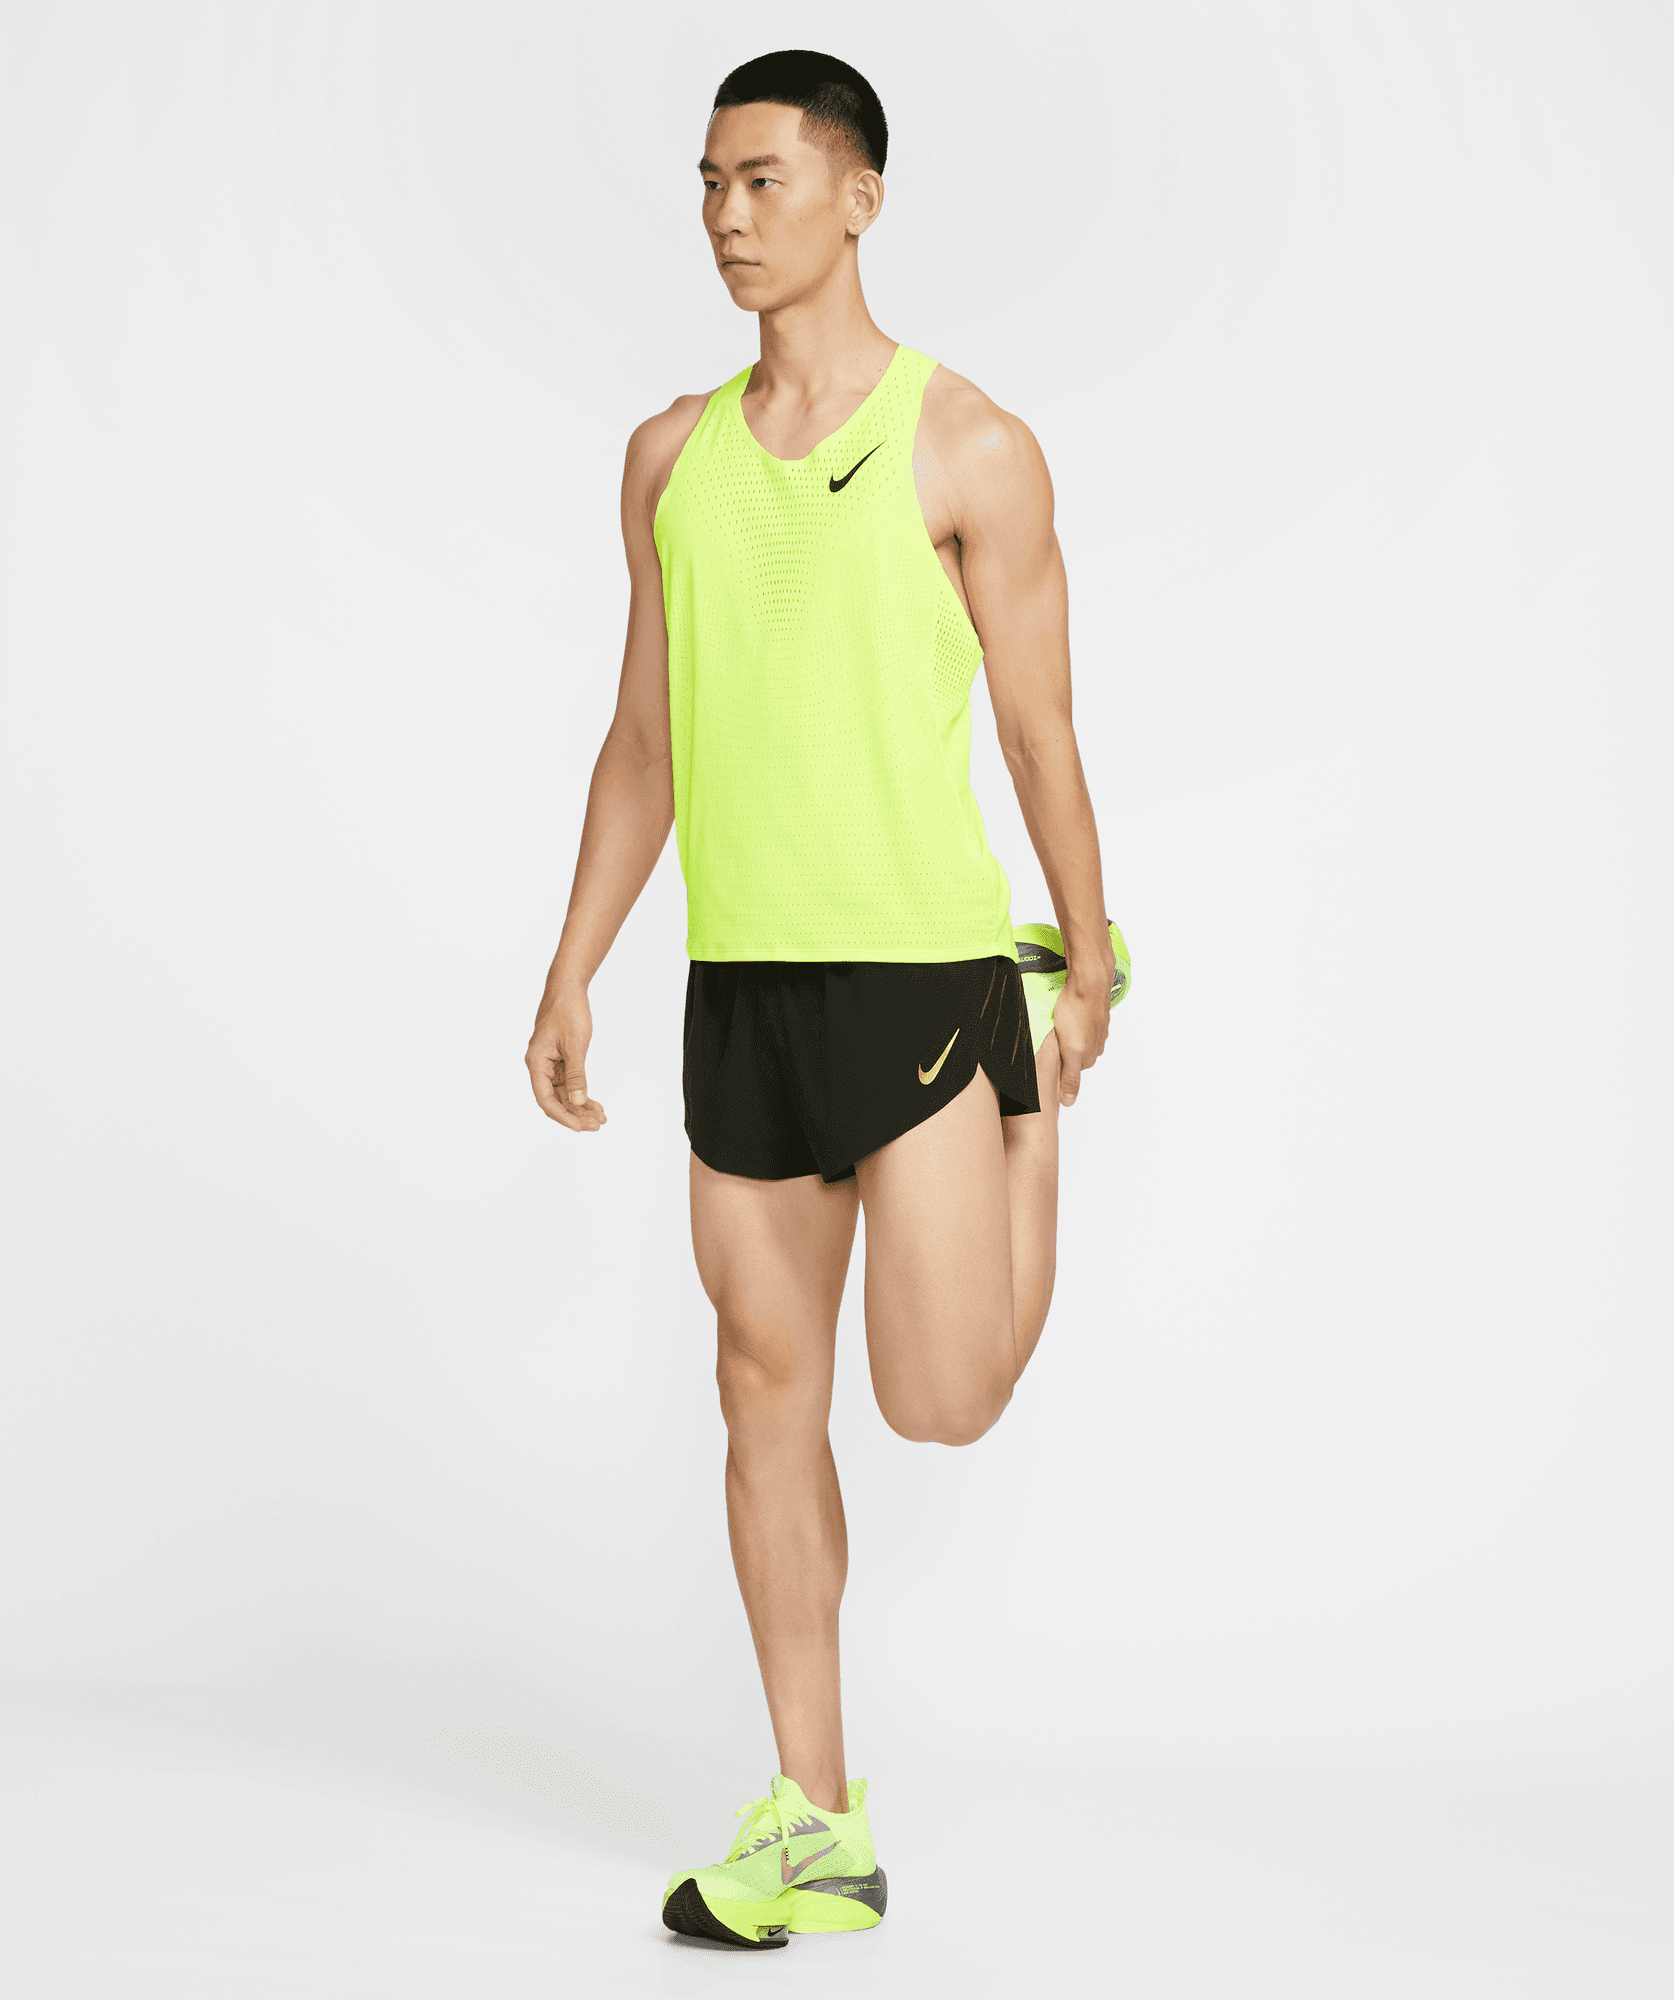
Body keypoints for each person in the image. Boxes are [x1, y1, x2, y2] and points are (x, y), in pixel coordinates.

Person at [524, 48, 1131, 1949]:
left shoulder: (972, 446)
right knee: (762, 1394)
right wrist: (572, 961)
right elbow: (644, 737)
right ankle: (817, 1822)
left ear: (860, 197)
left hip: (926, 980)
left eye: (766, 180)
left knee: (941, 1402)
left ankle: (1036, 1104)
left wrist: (1088, 951)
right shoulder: (668, 456)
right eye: (710, 184)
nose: (729, 216)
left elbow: (1040, 727)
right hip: (742, 992)